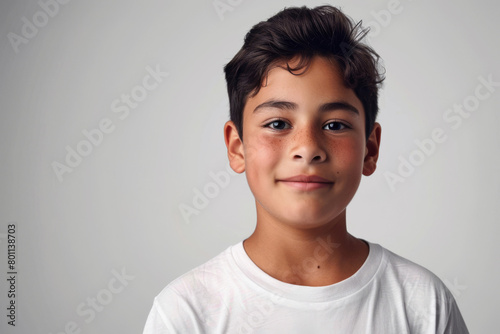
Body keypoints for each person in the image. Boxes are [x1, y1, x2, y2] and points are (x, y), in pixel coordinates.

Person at [143, 5, 468, 333]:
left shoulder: (424, 304)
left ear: (370, 149)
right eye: (278, 123)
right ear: (236, 146)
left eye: (335, 125)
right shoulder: (187, 311)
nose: (308, 148)